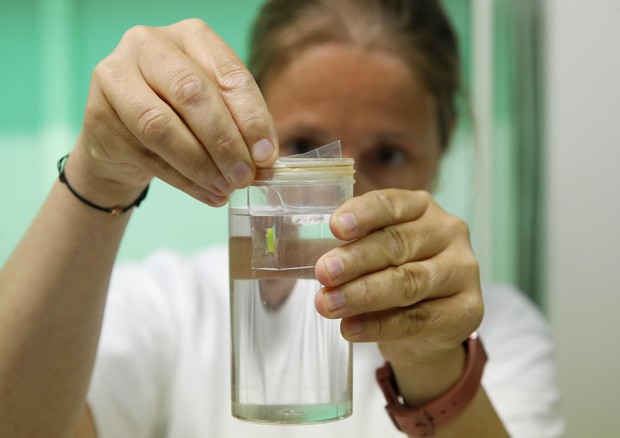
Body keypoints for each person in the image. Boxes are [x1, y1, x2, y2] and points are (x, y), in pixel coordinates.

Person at [0, 0, 563, 437]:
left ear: (441, 155)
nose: (344, 198)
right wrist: (99, 177)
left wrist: (437, 368)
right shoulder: (171, 307)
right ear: (247, 127)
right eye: (303, 144)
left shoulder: (496, 330)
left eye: (388, 154)